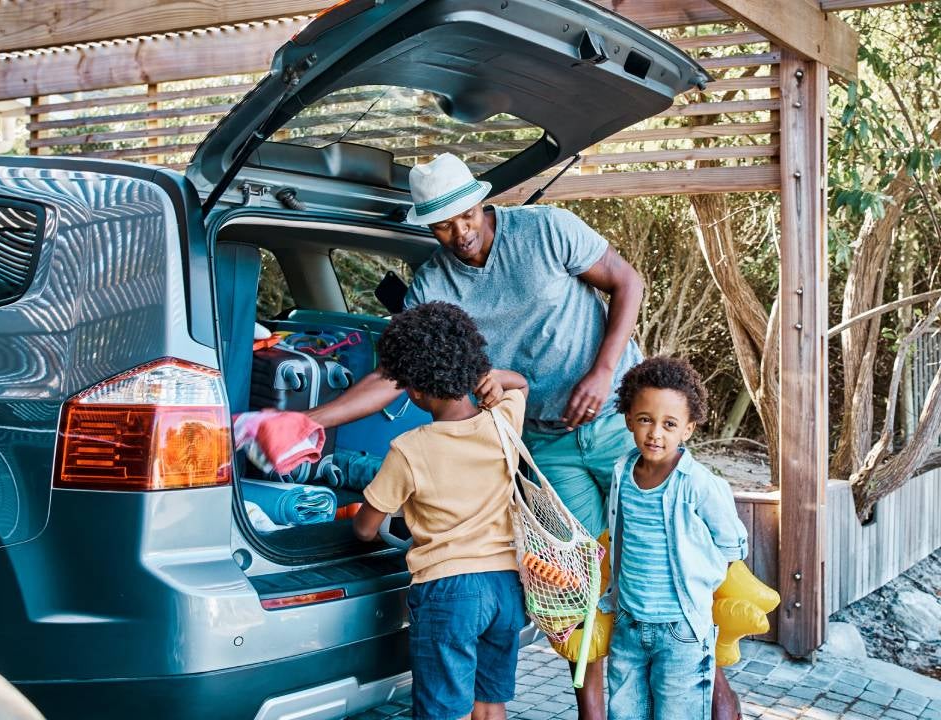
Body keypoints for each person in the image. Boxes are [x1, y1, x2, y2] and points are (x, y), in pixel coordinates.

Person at [309, 153, 740, 719]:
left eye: (465, 216)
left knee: (670, 557)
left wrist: (603, 372)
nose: (459, 233)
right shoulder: (433, 282)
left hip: (620, 423)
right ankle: (592, 712)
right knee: (578, 583)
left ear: (482, 201)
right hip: (544, 443)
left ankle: (716, 697)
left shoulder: (547, 230)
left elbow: (626, 281)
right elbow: (396, 372)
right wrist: (311, 421)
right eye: (442, 225)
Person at [351, 302, 529, 720]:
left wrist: (367, 517)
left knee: (445, 710)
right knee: (489, 702)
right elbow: (520, 385)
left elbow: (365, 528)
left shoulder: (409, 449)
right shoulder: (503, 420)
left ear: (412, 390)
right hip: (505, 586)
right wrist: (494, 380)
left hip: (449, 592)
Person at [601, 357, 749, 720]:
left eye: (669, 424)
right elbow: (620, 537)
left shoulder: (698, 484)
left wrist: (702, 577)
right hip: (629, 623)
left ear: (688, 429)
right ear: (628, 419)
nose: (656, 433)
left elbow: (733, 542)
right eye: (645, 420)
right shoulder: (621, 472)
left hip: (681, 630)